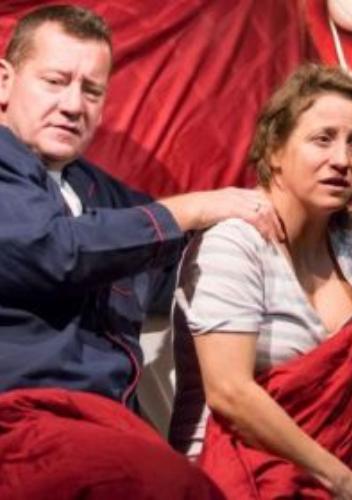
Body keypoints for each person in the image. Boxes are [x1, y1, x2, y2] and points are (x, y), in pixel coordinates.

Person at [0, 5, 282, 498]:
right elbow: (56, 250)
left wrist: (303, 218)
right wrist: (194, 206)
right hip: (20, 418)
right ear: (4, 82)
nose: (73, 105)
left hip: (110, 424)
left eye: (92, 91)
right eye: (55, 82)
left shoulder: (103, 194)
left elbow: (185, 261)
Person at [170, 63, 352, 499]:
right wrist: (344, 483)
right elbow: (230, 393)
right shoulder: (234, 243)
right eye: (323, 139)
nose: (342, 160)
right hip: (232, 474)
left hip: (350, 472)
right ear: (275, 150)